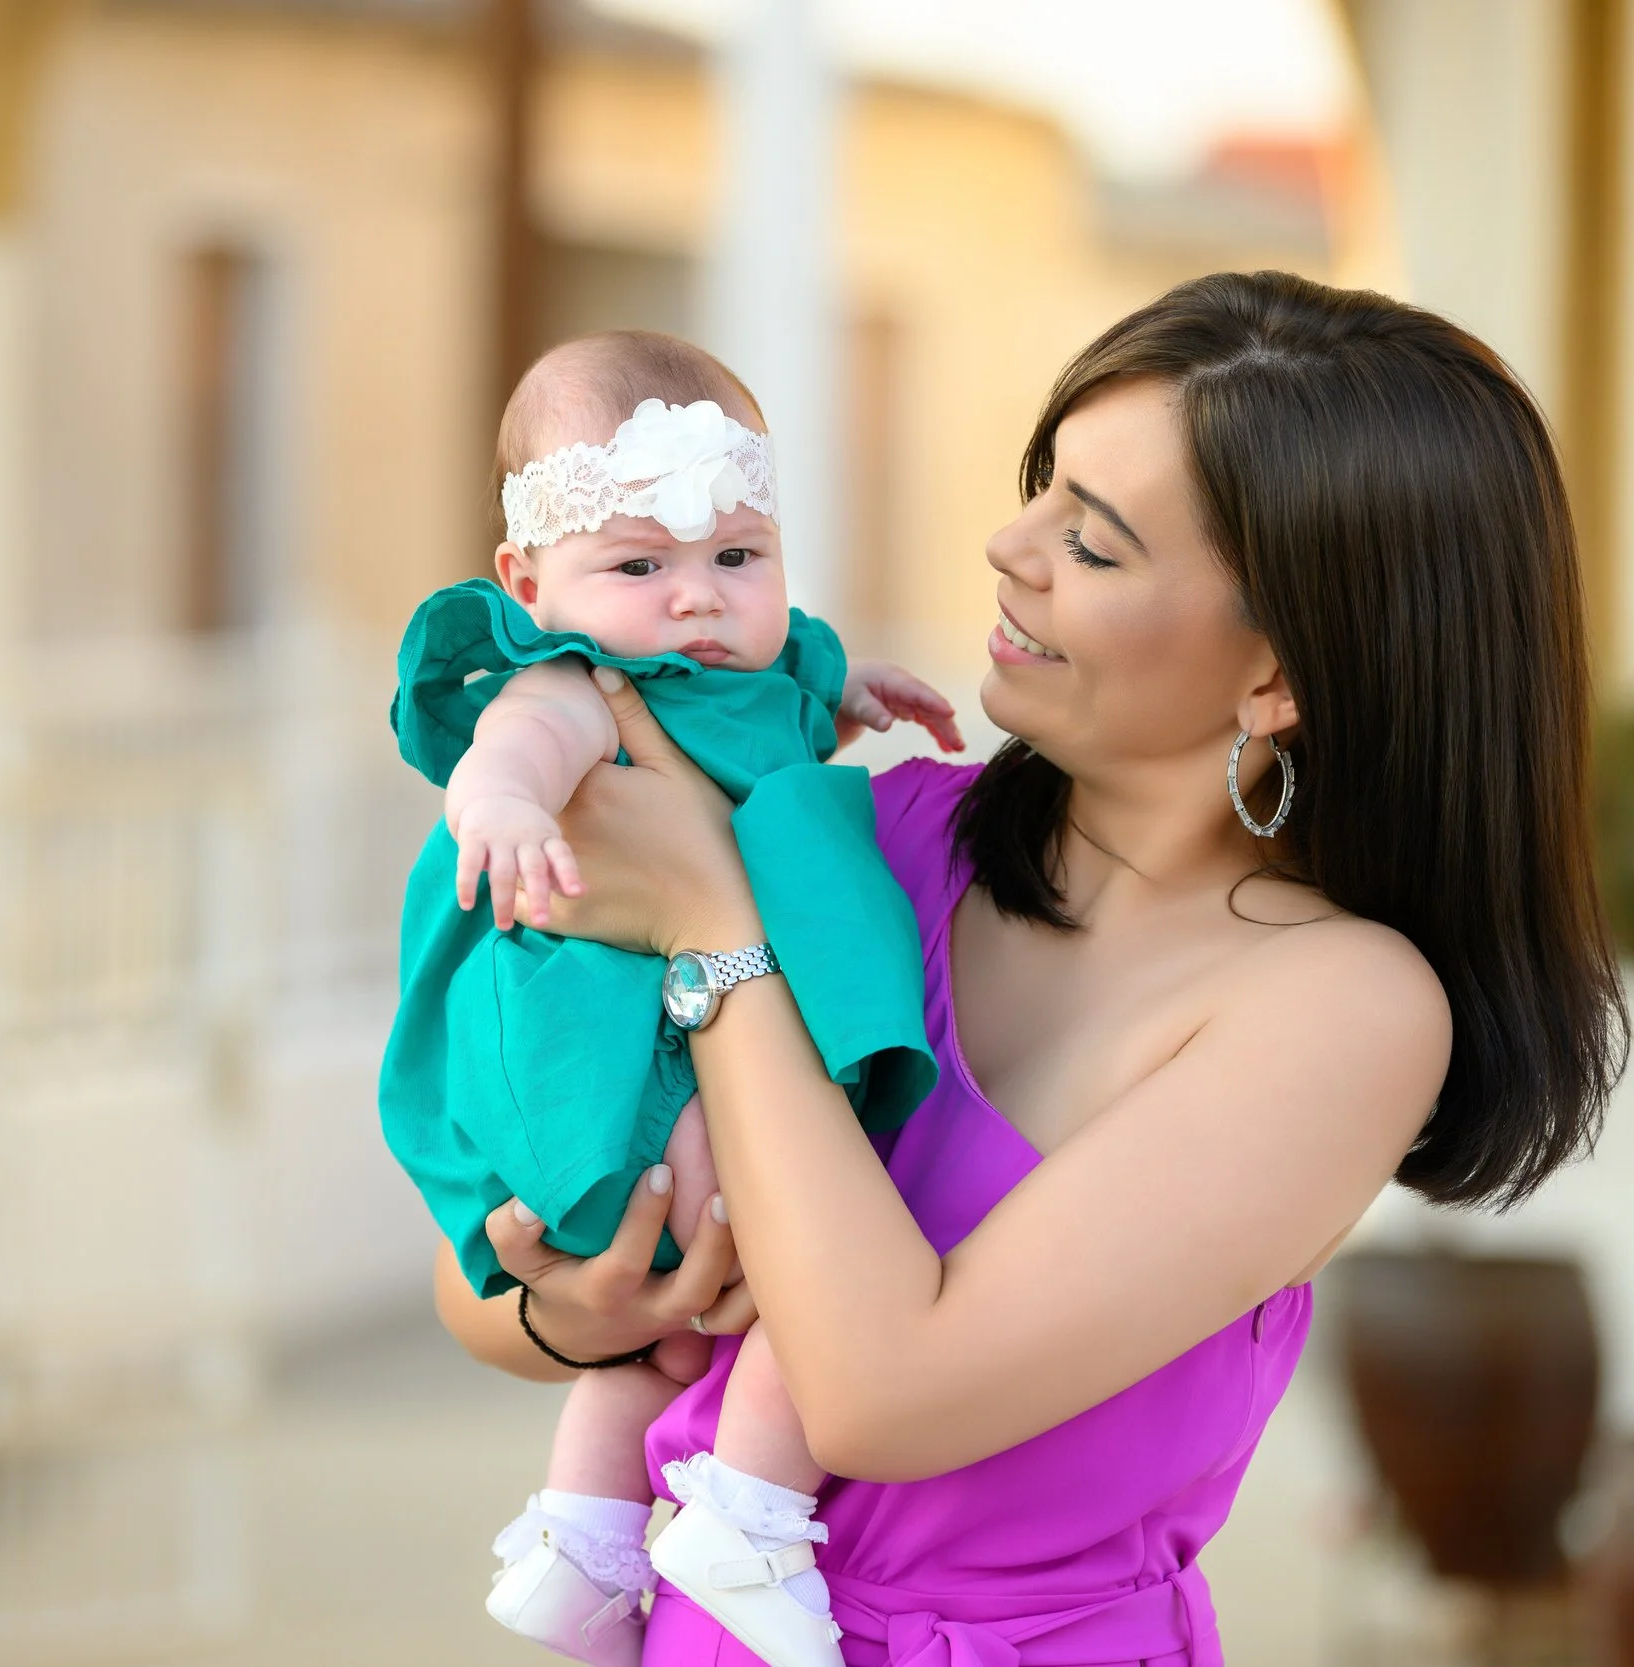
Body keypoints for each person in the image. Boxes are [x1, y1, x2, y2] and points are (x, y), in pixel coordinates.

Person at [437, 271, 1629, 1666]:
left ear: (1278, 675)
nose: (1011, 547)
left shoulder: (1342, 1009)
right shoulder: (861, 843)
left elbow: (888, 1390)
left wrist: (714, 926)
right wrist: (572, 1311)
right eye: (1045, 488)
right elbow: (486, 1259)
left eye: (1098, 544)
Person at [382, 330, 965, 1667]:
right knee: (795, 1244)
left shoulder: (746, 672)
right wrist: (508, 798)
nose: (696, 599)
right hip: (625, 1066)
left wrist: (848, 692)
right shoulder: (580, 684)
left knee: (653, 1340)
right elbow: (513, 747)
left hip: (678, 1064)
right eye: (641, 564)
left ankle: (583, 1534)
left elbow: (781, 707)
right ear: (530, 583)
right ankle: (748, 1511)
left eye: (736, 558)